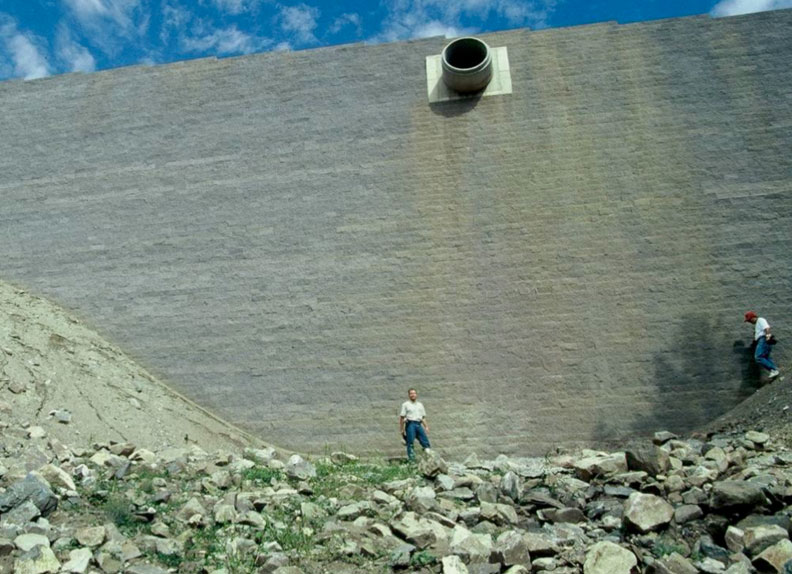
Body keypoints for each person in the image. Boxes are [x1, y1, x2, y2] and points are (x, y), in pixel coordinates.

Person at [745, 311, 780, 379]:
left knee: (758, 357)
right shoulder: (757, 323)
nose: (749, 322)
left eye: (749, 320)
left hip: (763, 339)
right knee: (765, 357)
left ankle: (774, 370)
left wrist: (768, 337)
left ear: (753, 317)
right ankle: (775, 370)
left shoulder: (760, 320)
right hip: (762, 340)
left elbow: (767, 328)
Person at [399, 388, 431, 461]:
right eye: (411, 393)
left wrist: (426, 427)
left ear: (416, 395)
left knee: (425, 441)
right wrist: (402, 429)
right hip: (410, 424)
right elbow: (402, 417)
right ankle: (412, 461)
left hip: (418, 424)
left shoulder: (420, 405)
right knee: (410, 443)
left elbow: (423, 417)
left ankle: (429, 458)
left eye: (414, 393)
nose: (413, 395)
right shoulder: (405, 405)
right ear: (409, 395)